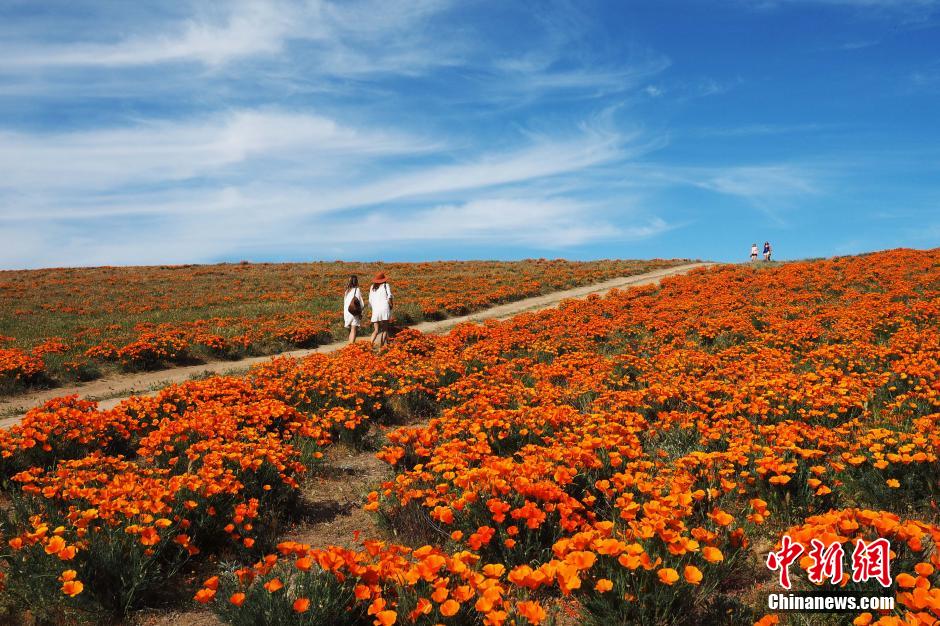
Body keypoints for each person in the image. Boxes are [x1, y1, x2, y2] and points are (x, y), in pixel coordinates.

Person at [369, 272, 393, 349]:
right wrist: (391, 305)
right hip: (384, 308)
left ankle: (370, 345)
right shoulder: (386, 285)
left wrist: (373, 307)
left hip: (375, 309)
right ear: (383, 279)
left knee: (376, 330)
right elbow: (389, 296)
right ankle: (381, 347)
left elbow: (370, 300)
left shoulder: (372, 287)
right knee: (384, 329)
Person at [343, 275, 364, 344]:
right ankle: (351, 347)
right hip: (354, 312)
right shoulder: (357, 290)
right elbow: (360, 303)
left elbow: (345, 302)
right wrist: (361, 312)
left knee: (351, 330)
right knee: (353, 329)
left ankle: (350, 346)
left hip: (347, 312)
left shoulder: (346, 291)